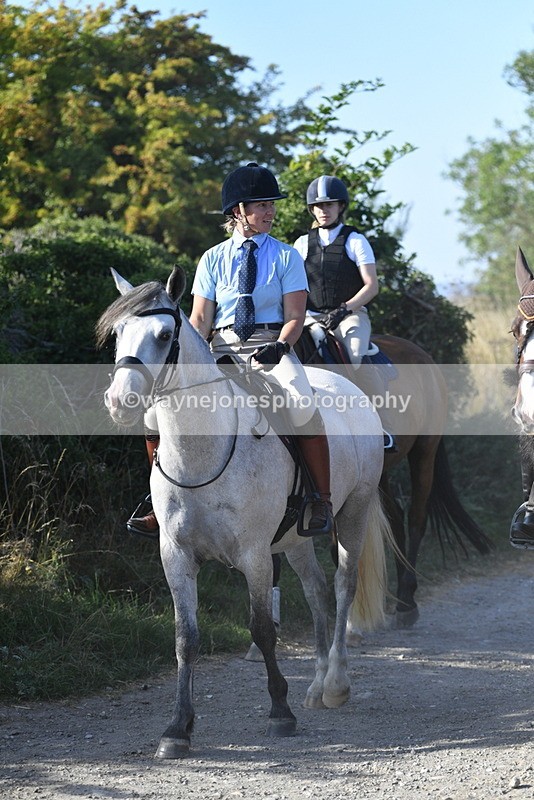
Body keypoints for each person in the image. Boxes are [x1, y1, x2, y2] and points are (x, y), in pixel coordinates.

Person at [128, 162, 334, 539]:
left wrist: (281, 346)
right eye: (262, 206)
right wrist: (189, 356)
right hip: (220, 352)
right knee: (154, 415)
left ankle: (320, 499)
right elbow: (200, 320)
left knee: (302, 402)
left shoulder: (287, 257)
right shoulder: (211, 259)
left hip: (272, 348)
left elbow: (296, 315)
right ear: (238, 211)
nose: (271, 212)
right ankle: (158, 499)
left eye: (272, 205)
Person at [293, 174, 396, 451]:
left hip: (350, 314)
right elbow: (294, 287)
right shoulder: (302, 244)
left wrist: (344, 309)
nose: (323, 211)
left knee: (354, 351)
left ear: (340, 206)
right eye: (317, 206)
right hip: (312, 317)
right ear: (311, 209)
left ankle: (379, 423)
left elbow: (371, 286)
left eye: (329, 205)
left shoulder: (355, 240)